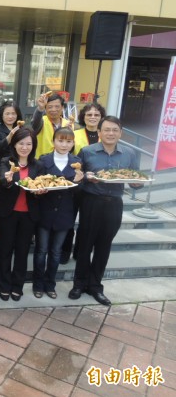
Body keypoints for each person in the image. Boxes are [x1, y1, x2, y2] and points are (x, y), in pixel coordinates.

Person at [69, 116, 143, 306]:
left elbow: (135, 178)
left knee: (104, 245)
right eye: (107, 130)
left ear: (120, 133)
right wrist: (85, 176)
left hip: (114, 204)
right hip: (91, 201)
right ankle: (79, 284)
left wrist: (136, 184)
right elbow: (76, 175)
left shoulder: (130, 154)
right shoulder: (87, 151)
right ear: (99, 133)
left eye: (115, 130)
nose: (111, 133)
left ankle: (95, 286)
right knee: (85, 244)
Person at [0, 127, 43, 302]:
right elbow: (1, 183)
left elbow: (40, 185)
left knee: (22, 252)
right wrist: (6, 180)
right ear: (14, 145)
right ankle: (4, 286)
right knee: (5, 251)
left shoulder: (38, 165)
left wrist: (40, 191)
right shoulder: (6, 162)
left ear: (33, 145)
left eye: (28, 143)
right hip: (9, 213)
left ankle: (17, 286)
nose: (24, 147)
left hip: (29, 215)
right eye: (21, 143)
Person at [33, 127, 83, 299]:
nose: (64, 144)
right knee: (41, 250)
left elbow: (79, 192)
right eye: (60, 140)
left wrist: (79, 181)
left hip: (65, 213)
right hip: (45, 212)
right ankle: (38, 284)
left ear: (73, 143)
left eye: (68, 141)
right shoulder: (43, 160)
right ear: (53, 141)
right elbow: (38, 183)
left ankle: (50, 284)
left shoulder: (77, 162)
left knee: (56, 252)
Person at [60, 102, 106, 264]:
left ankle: (80, 253)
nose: (93, 117)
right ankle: (64, 252)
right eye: (89, 115)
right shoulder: (75, 133)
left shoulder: (105, 136)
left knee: (87, 223)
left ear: (101, 118)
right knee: (68, 220)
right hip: (75, 184)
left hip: (95, 187)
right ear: (83, 117)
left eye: (96, 115)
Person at [0, 102, 23, 244]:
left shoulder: (22, 128)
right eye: (7, 113)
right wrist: (10, 136)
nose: (10, 116)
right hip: (1, 166)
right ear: (1, 115)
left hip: (18, 166)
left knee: (15, 198)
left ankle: (12, 230)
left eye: (13, 113)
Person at [31, 92, 70, 158]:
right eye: (50, 107)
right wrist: (40, 108)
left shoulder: (68, 124)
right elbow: (35, 124)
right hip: (42, 162)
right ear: (45, 109)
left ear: (62, 107)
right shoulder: (41, 121)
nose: (53, 109)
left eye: (57, 106)